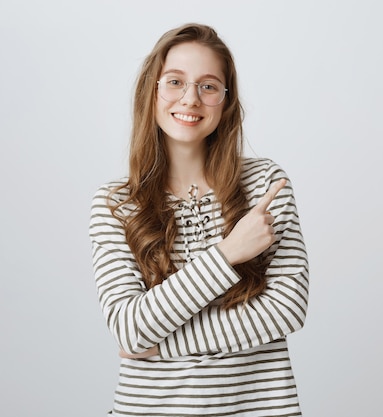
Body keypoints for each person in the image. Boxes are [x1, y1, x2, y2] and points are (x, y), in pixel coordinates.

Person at [89, 23, 309, 416]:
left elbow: (286, 309)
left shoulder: (264, 184)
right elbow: (130, 329)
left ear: (226, 102)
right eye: (175, 81)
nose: (190, 99)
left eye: (208, 86)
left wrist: (165, 343)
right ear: (151, 91)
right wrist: (228, 253)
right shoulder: (116, 204)